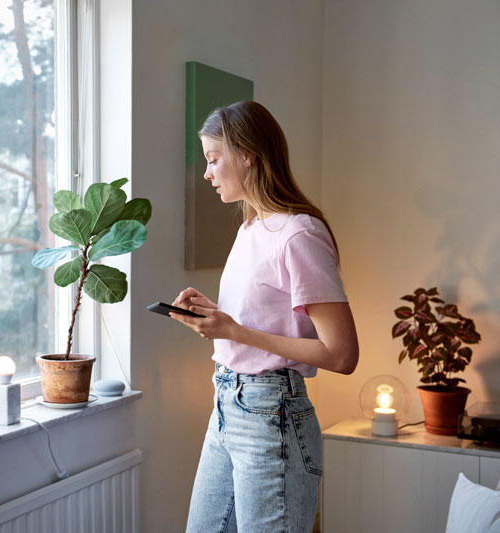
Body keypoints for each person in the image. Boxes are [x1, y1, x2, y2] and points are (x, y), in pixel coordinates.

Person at [171, 101, 359, 533]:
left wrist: (235, 330)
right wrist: (218, 317)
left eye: (214, 159)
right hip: (226, 405)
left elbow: (342, 354)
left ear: (248, 154)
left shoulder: (300, 234)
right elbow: (263, 323)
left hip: (271, 415)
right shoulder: (251, 229)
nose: (207, 173)